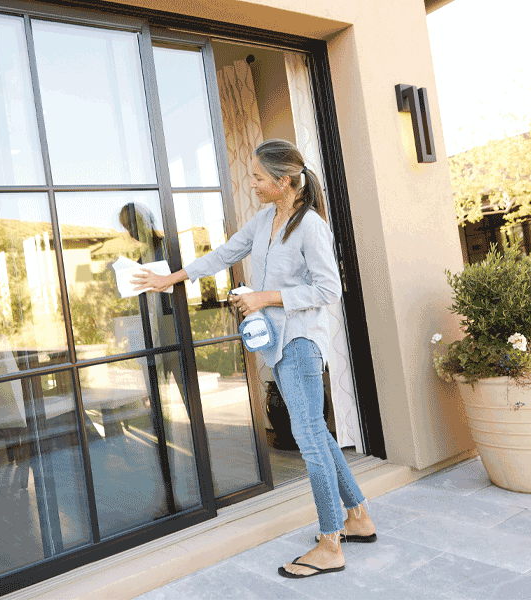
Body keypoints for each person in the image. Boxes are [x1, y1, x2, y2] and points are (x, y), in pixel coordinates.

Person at [132, 139, 376, 578]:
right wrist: (171, 278)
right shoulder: (266, 219)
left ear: (285, 182)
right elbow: (227, 253)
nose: (253, 184)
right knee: (316, 434)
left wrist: (265, 297)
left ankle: (330, 543)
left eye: (260, 178)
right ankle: (357, 517)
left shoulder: (311, 227)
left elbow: (329, 290)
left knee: (309, 441)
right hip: (277, 341)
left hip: (301, 341)